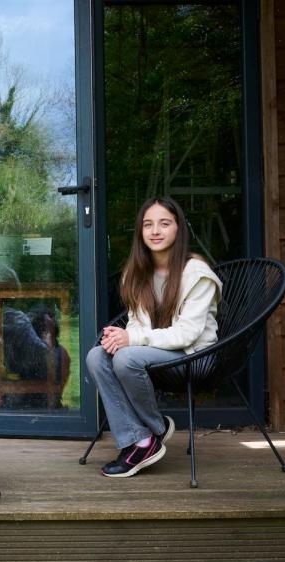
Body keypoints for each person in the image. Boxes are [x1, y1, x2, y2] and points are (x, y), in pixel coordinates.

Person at [85, 196, 222, 478]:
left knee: (126, 358)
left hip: (195, 354)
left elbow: (188, 333)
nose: (155, 231)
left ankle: (153, 430)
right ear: (140, 232)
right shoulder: (136, 274)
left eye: (164, 223)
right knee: (97, 355)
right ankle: (143, 438)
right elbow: (137, 324)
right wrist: (120, 336)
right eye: (148, 224)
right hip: (154, 353)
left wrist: (131, 340)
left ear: (178, 229)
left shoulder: (197, 274)